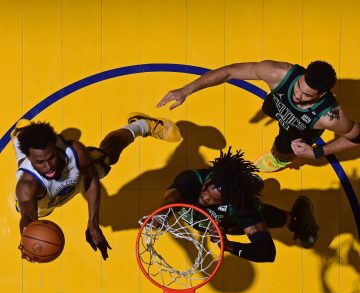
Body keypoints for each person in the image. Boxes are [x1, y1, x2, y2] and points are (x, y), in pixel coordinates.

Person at [13, 113, 181, 261]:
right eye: (40, 162)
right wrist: (27, 241)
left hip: (73, 176)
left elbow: (92, 178)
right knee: (30, 210)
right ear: (31, 159)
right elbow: (28, 219)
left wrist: (93, 223)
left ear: (56, 150)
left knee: (107, 157)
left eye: (51, 158)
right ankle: (21, 134)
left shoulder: (75, 151)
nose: (48, 166)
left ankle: (142, 125)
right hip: (46, 199)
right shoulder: (28, 186)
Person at [157, 60, 360, 172]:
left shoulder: (330, 117)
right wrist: (186, 90)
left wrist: (315, 153)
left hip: (299, 131)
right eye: (298, 86)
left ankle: (282, 160)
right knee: (269, 107)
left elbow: (357, 137)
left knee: (282, 150)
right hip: (277, 107)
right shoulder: (277, 73)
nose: (297, 95)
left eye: (306, 95)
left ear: (322, 95)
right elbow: (229, 72)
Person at [160, 148, 318, 263]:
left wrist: (228, 245)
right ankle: (252, 185)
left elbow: (266, 253)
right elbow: (173, 198)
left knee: (254, 215)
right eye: (206, 190)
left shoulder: (241, 204)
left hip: (230, 221)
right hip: (213, 218)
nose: (204, 197)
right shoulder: (192, 179)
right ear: (208, 181)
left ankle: (296, 221)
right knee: (248, 216)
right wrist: (161, 215)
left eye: (211, 199)